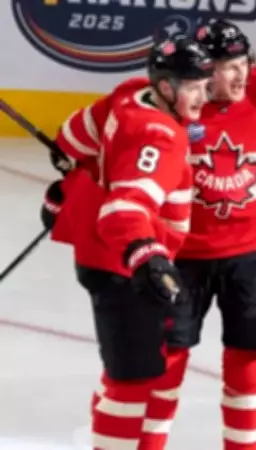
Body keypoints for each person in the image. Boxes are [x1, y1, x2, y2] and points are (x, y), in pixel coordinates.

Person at [40, 36, 214, 450]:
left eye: (205, 85)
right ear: (167, 88)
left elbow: (72, 138)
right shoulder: (162, 137)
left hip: (103, 260)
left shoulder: (129, 94)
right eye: (193, 86)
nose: (202, 97)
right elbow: (124, 209)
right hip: (125, 269)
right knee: (131, 382)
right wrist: (146, 256)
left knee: (133, 371)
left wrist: (68, 175)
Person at [134, 20, 256, 450]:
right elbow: (123, 129)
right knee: (165, 363)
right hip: (182, 256)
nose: (238, 75)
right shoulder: (173, 104)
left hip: (254, 256)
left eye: (242, 64)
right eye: (224, 67)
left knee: (250, 365)